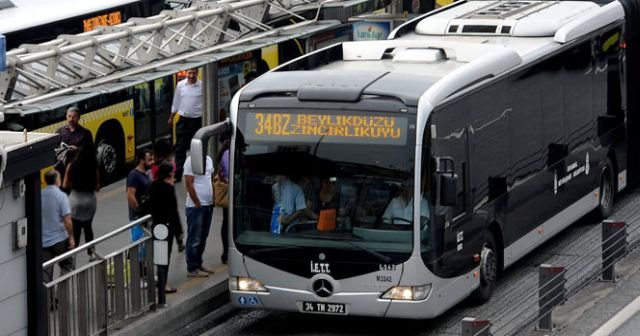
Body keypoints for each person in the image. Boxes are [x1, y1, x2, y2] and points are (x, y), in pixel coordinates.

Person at [149, 161, 182, 307]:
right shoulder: (169, 189)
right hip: (166, 228)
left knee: (158, 256)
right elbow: (174, 212)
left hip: (155, 226)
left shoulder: (153, 186)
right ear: (169, 174)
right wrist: (179, 233)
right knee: (165, 257)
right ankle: (163, 286)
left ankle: (159, 282)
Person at [63, 143, 100, 261]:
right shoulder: (94, 166)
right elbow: (98, 187)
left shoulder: (72, 165)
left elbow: (65, 185)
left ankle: (73, 256)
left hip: (75, 200)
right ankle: (91, 253)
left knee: (76, 229)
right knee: (88, 227)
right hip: (90, 200)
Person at [183, 153, 215, 277]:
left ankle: (198, 263)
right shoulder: (190, 161)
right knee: (194, 238)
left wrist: (213, 198)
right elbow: (189, 184)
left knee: (203, 236)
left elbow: (210, 179)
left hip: (208, 204)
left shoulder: (208, 159)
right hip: (196, 206)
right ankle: (192, 267)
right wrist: (197, 202)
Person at [168, 68, 202, 182]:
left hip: (197, 121)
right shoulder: (180, 85)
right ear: (186, 73)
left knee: (197, 148)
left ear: (197, 73)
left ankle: (198, 173)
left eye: (193, 73)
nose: (191, 75)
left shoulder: (202, 86)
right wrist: (171, 117)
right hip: (183, 121)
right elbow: (176, 102)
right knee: (180, 148)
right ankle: (178, 174)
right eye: (189, 73)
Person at [150, 139, 184, 250]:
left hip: (158, 198)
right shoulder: (170, 165)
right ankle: (179, 239)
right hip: (168, 194)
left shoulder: (154, 167)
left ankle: (177, 239)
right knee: (173, 214)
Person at [42, 170, 75, 284]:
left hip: (44, 242)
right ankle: (61, 293)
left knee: (45, 274)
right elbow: (67, 220)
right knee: (67, 265)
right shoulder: (61, 196)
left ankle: (48, 300)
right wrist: (71, 237)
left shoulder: (40, 195)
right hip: (60, 240)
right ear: (57, 180)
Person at [55, 106, 93, 184]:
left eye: (74, 117)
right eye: (69, 116)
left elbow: (90, 151)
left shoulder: (85, 133)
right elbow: (54, 149)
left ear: (79, 118)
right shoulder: (60, 131)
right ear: (66, 116)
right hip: (62, 169)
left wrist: (77, 149)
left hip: (78, 169)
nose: (71, 119)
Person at [127, 149, 153, 240]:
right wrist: (139, 211)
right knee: (137, 247)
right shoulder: (134, 175)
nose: (152, 162)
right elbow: (130, 195)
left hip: (145, 218)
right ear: (142, 161)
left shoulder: (146, 174)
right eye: (149, 160)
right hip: (137, 219)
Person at [216, 139, 230, 264]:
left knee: (226, 222)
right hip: (230, 192)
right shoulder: (227, 154)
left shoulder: (225, 152)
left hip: (229, 191)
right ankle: (226, 252)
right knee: (227, 223)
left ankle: (226, 252)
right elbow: (230, 172)